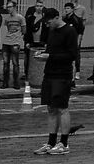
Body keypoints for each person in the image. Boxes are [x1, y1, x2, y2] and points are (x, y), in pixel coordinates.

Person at [35, 10, 83, 155]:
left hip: (63, 75)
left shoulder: (70, 31)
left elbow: (71, 55)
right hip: (49, 73)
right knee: (50, 108)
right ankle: (51, 142)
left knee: (62, 108)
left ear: (57, 18)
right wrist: (42, 54)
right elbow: (51, 51)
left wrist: (49, 56)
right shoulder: (52, 31)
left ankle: (64, 143)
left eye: (49, 22)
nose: (48, 25)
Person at [0, 2, 26, 88]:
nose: (8, 9)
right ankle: (5, 82)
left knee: (15, 62)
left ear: (14, 7)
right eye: (7, 7)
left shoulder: (20, 17)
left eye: (10, 7)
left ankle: (16, 82)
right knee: (6, 63)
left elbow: (24, 30)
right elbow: (6, 28)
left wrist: (19, 36)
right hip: (6, 41)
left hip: (15, 42)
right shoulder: (7, 18)